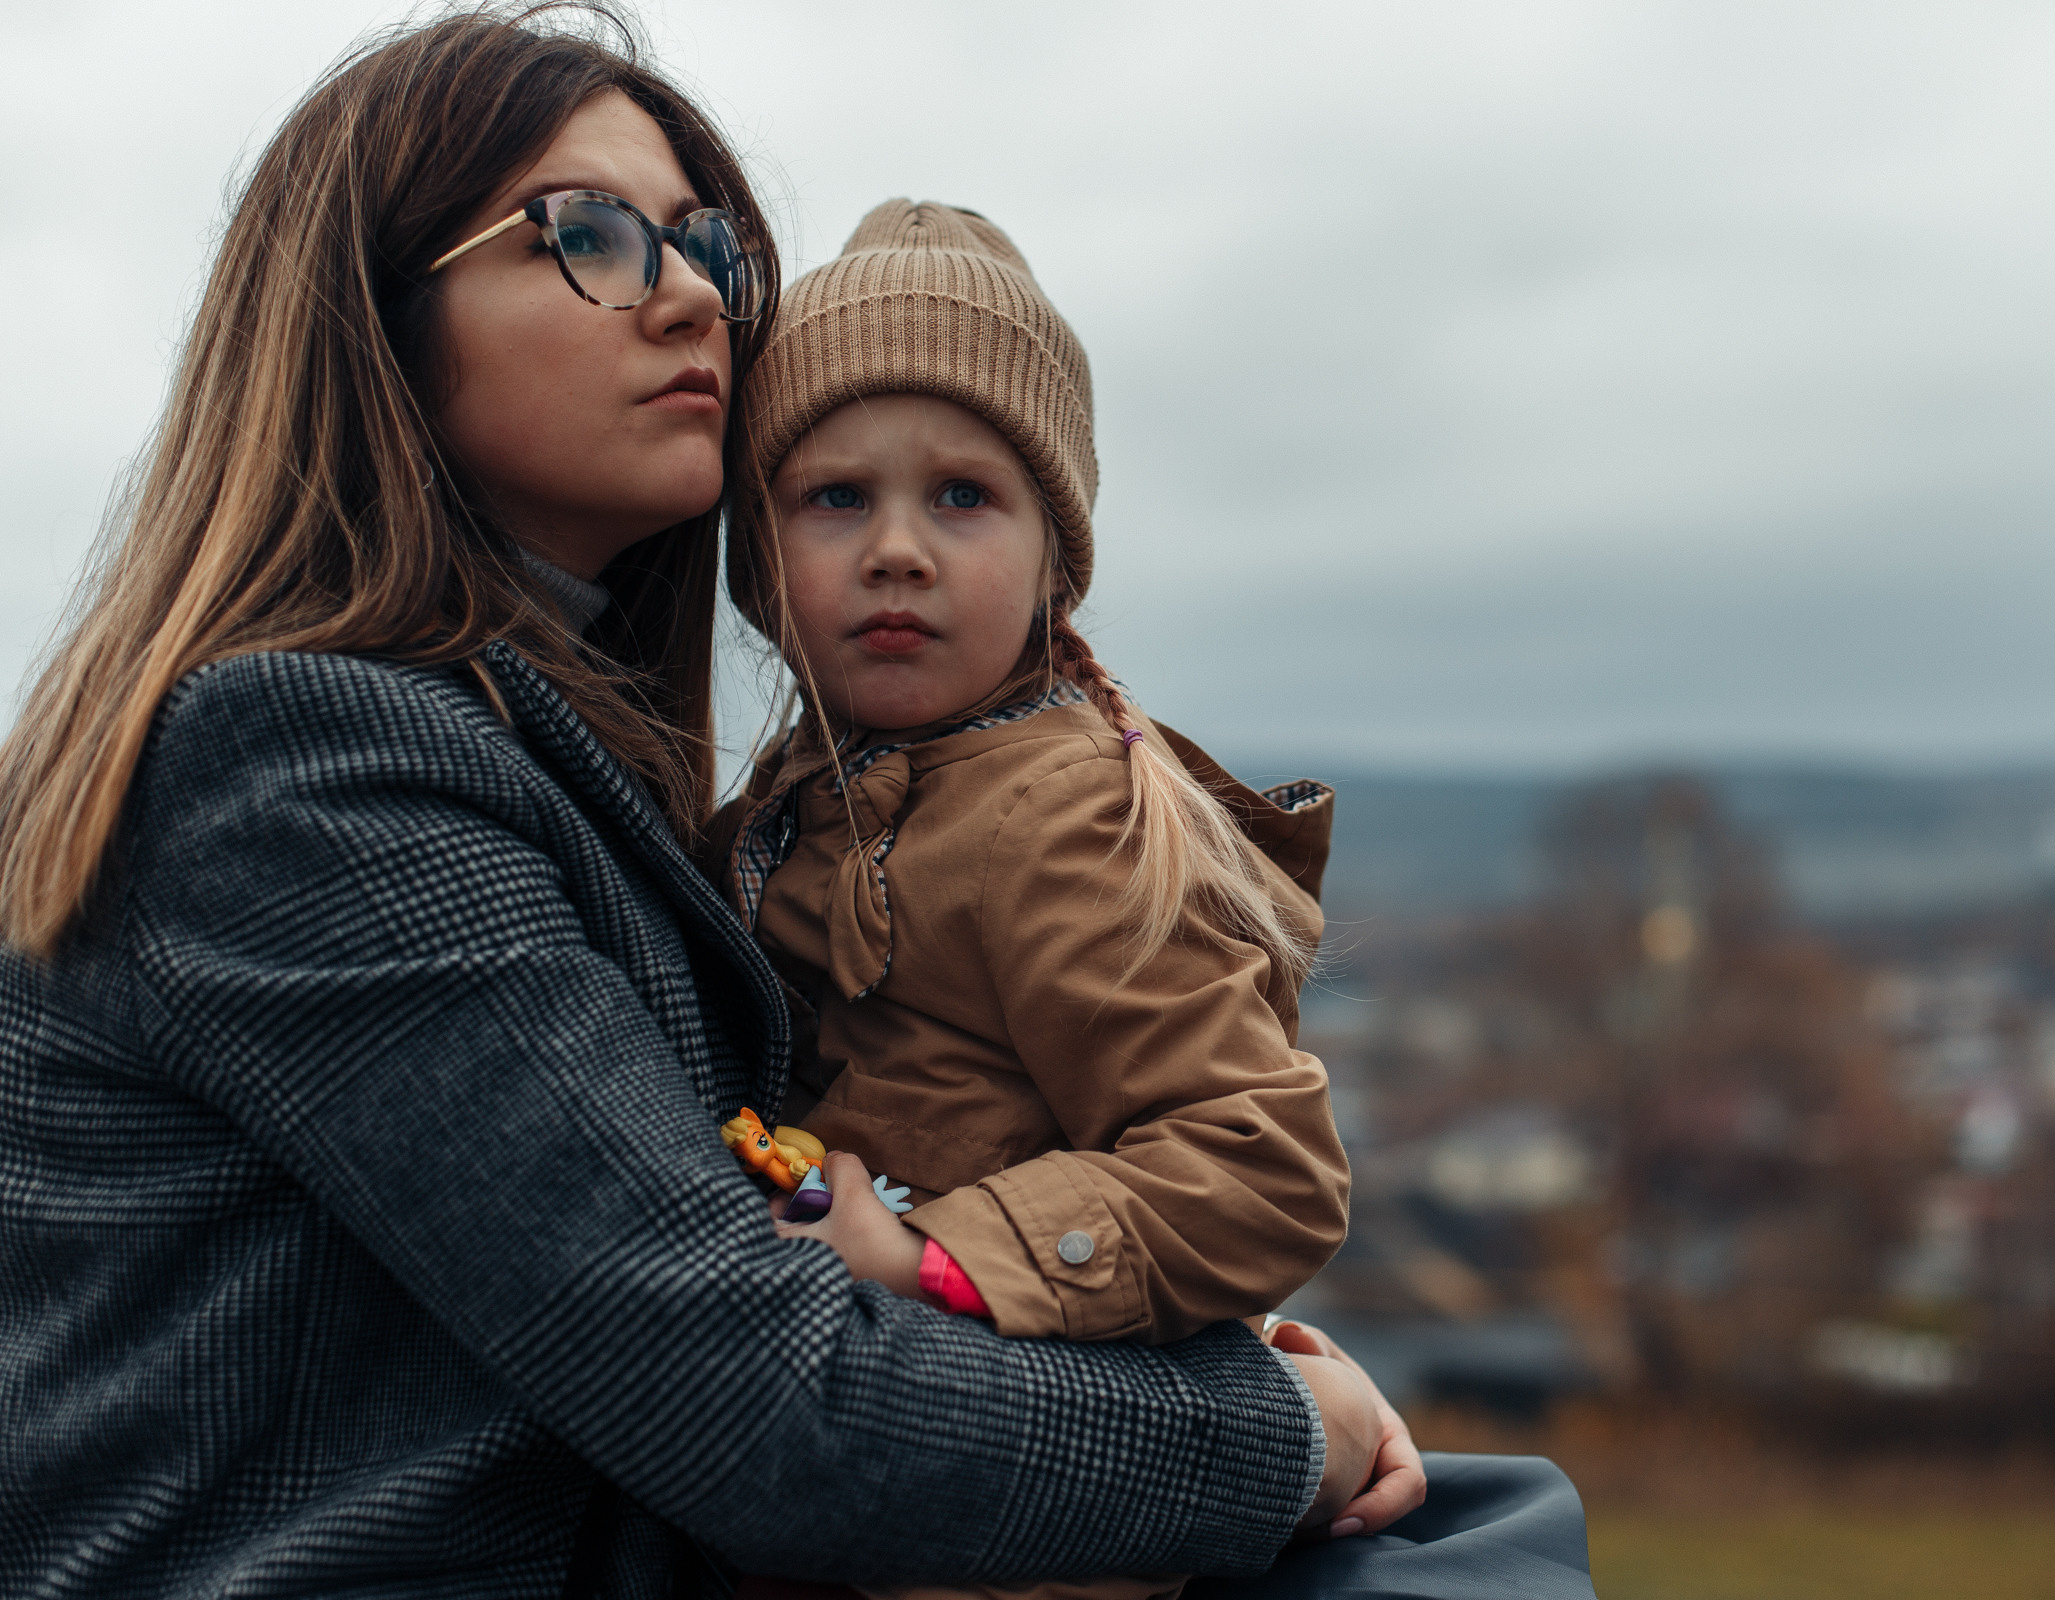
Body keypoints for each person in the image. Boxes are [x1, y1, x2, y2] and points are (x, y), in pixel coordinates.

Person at [0, 11, 1389, 1595]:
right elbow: (768, 1409)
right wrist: (1286, 1430)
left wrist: (1132, 1305)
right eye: (585, 234)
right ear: (375, 313)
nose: (685, 296)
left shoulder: (579, 760)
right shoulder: (304, 766)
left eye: (704, 245)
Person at [706, 200, 1355, 1600]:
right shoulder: (792, 811)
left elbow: (1264, 1162)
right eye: (835, 497)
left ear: (1054, 555)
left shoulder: (1060, 817)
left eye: (962, 495)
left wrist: (941, 1252)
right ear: (761, 560)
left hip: (1033, 1519)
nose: (897, 549)